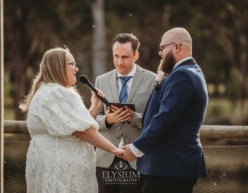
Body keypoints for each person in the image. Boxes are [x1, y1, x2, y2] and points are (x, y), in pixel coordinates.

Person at [19, 47, 124, 193]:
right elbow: (83, 131)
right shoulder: (57, 92)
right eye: (72, 64)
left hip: (48, 164)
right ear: (59, 67)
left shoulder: (45, 90)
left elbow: (71, 125)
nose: (76, 68)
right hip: (62, 168)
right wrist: (114, 150)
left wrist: (94, 107)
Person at [122, 27, 209, 193]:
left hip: (170, 167)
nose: (160, 53)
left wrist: (136, 148)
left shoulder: (182, 75)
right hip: (173, 166)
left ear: (176, 46)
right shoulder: (192, 72)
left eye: (162, 48)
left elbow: (165, 118)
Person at [95, 33, 156, 193]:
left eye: (125, 57)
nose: (119, 62)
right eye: (116, 56)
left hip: (137, 158)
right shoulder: (101, 80)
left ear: (136, 55)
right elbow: (93, 118)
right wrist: (106, 120)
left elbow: (157, 120)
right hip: (105, 159)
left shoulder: (153, 80)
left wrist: (135, 118)